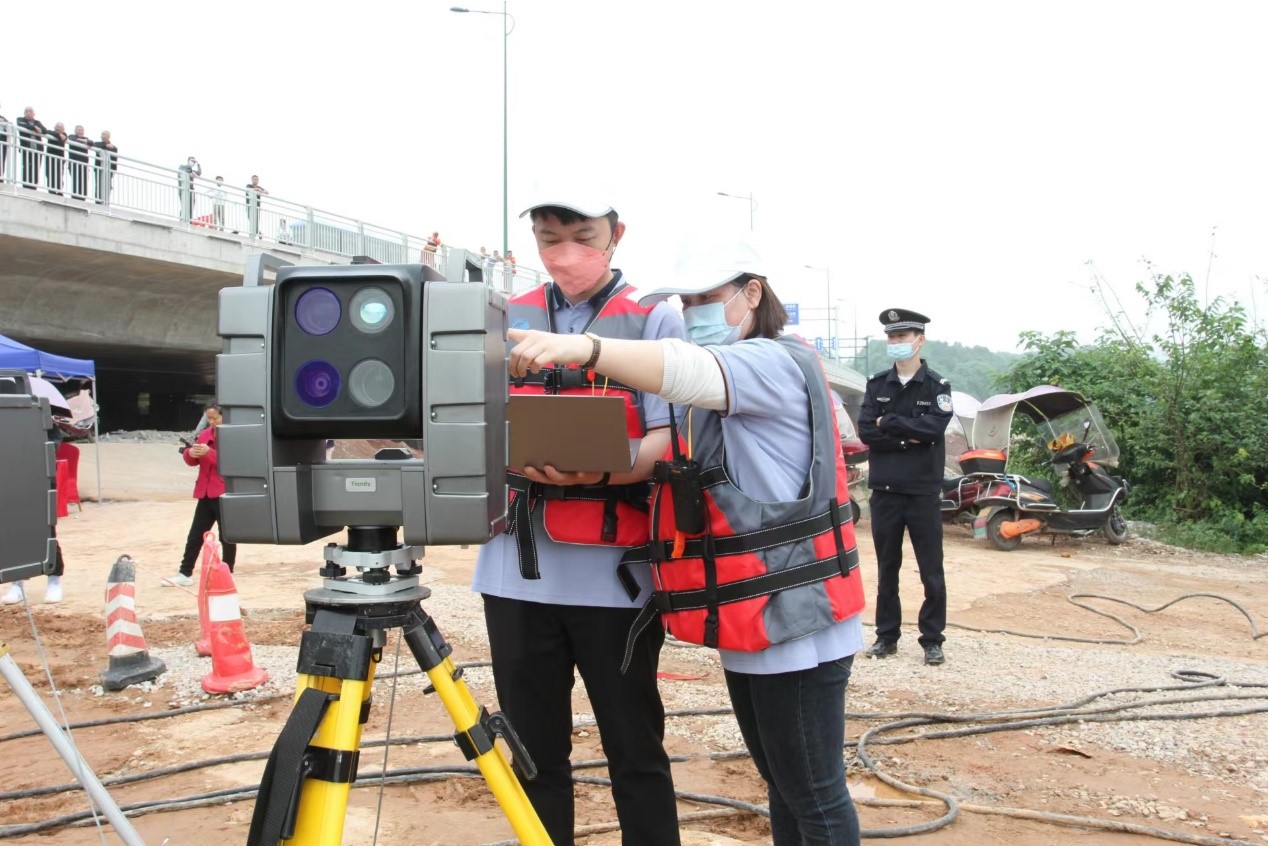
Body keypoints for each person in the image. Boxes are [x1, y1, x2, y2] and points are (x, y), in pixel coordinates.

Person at [506, 241, 868, 846]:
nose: (694, 310)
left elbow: (686, 370)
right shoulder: (730, 379)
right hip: (756, 613)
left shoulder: (770, 362)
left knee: (815, 795)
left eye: (707, 297)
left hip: (798, 618)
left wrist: (587, 348)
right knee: (785, 786)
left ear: (753, 292)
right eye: (686, 300)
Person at [472, 194, 686, 846]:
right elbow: (465, 424)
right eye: (548, 239)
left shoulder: (654, 318)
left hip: (616, 581)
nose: (565, 254)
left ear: (616, 235)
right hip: (515, 576)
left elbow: (672, 440)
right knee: (533, 757)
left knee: (636, 751)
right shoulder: (503, 316)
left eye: (581, 237)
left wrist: (599, 474)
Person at [856, 309, 952, 666]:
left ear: (919, 340)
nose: (896, 342)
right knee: (887, 568)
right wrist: (905, 437)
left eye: (902, 336)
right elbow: (867, 431)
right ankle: (886, 636)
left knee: (931, 570)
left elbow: (934, 429)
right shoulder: (877, 384)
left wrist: (891, 422)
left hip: (923, 491)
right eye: (892, 337)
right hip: (886, 490)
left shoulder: (937, 386)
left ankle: (932, 639)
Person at [165, 404, 236, 586]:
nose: (212, 422)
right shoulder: (204, 435)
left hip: (223, 492)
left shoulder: (233, 435)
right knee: (195, 535)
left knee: (227, 536)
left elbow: (232, 461)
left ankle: (228, 571)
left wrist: (209, 453)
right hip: (205, 492)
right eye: (209, 418)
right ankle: (185, 572)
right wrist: (190, 453)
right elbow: (192, 461)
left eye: (215, 418)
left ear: (224, 416)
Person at [16, 107, 46, 189]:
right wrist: (34, 127)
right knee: (26, 167)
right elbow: (21, 125)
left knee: (36, 168)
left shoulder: (37, 122)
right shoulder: (20, 119)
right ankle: (26, 186)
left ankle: (34, 187)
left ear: (34, 114)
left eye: (30, 111)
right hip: (26, 148)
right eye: (26, 111)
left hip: (37, 149)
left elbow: (44, 130)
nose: (28, 113)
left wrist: (37, 128)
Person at [67, 125, 91, 200]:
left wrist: (84, 141)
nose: (81, 132)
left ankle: (83, 198)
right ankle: (75, 197)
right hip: (74, 163)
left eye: (82, 130)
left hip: (84, 164)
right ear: (75, 131)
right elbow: (73, 140)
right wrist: (84, 141)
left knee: (84, 181)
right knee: (76, 180)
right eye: (79, 130)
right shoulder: (71, 136)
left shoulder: (86, 138)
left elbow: (91, 143)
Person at [94, 131, 118, 204]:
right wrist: (106, 146)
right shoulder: (98, 144)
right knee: (99, 185)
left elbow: (115, 158)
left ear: (109, 136)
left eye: (104, 135)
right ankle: (98, 202)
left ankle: (106, 202)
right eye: (102, 134)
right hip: (99, 168)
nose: (102, 136)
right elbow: (95, 145)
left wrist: (114, 170)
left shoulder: (114, 148)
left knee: (108, 186)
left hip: (109, 169)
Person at [44, 122, 68, 195]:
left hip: (59, 159)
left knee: (59, 175)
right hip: (50, 158)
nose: (58, 128)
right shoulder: (51, 133)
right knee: (50, 174)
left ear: (63, 129)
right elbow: (47, 131)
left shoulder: (64, 135)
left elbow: (65, 136)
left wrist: (60, 135)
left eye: (60, 127)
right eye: (57, 127)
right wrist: (58, 135)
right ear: (54, 128)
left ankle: (59, 191)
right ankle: (52, 191)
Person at [178, 156, 201, 222]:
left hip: (191, 190)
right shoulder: (182, 166)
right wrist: (190, 173)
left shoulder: (192, 170)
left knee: (191, 206)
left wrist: (198, 163)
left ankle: (189, 221)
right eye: (192, 161)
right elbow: (183, 170)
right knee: (185, 205)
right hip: (183, 189)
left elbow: (199, 173)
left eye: (194, 162)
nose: (193, 162)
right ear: (188, 161)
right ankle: (182, 220)